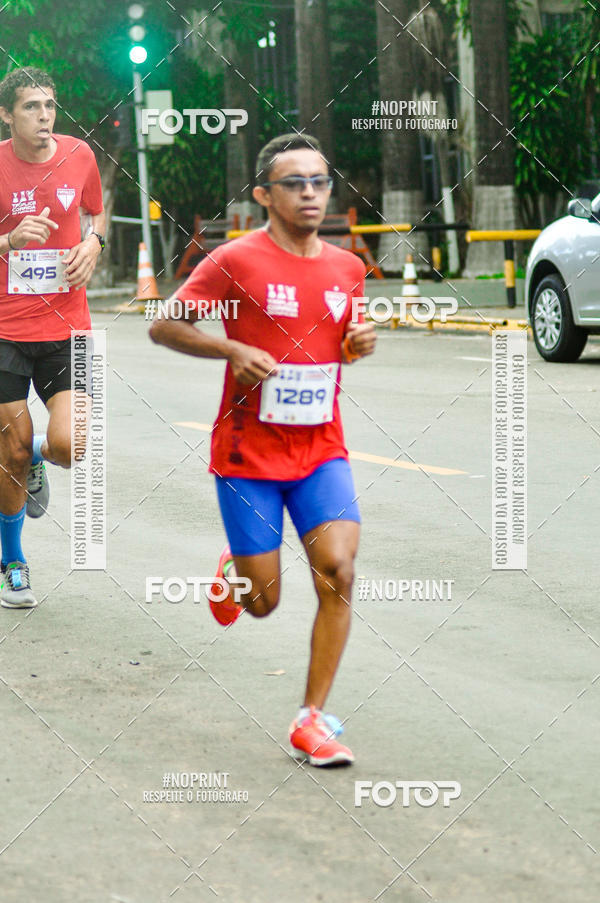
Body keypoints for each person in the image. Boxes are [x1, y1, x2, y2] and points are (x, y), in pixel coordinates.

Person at [150, 133, 376, 766]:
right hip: (248, 454)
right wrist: (231, 349)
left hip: (321, 449)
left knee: (339, 571)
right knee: (263, 601)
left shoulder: (347, 267)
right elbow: (164, 323)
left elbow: (342, 342)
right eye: (295, 183)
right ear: (264, 195)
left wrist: (357, 343)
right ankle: (237, 573)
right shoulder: (235, 263)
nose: (310, 193)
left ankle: (312, 719)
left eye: (319, 181)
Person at [0, 67, 105, 608]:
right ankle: (13, 561)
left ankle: (35, 457)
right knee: (10, 448)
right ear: (6, 115)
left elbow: (96, 209)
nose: (44, 116)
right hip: (3, 330)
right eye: (31, 107)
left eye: (50, 105)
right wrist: (6, 241)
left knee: (72, 444)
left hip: (69, 325)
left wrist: (96, 243)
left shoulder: (80, 155)